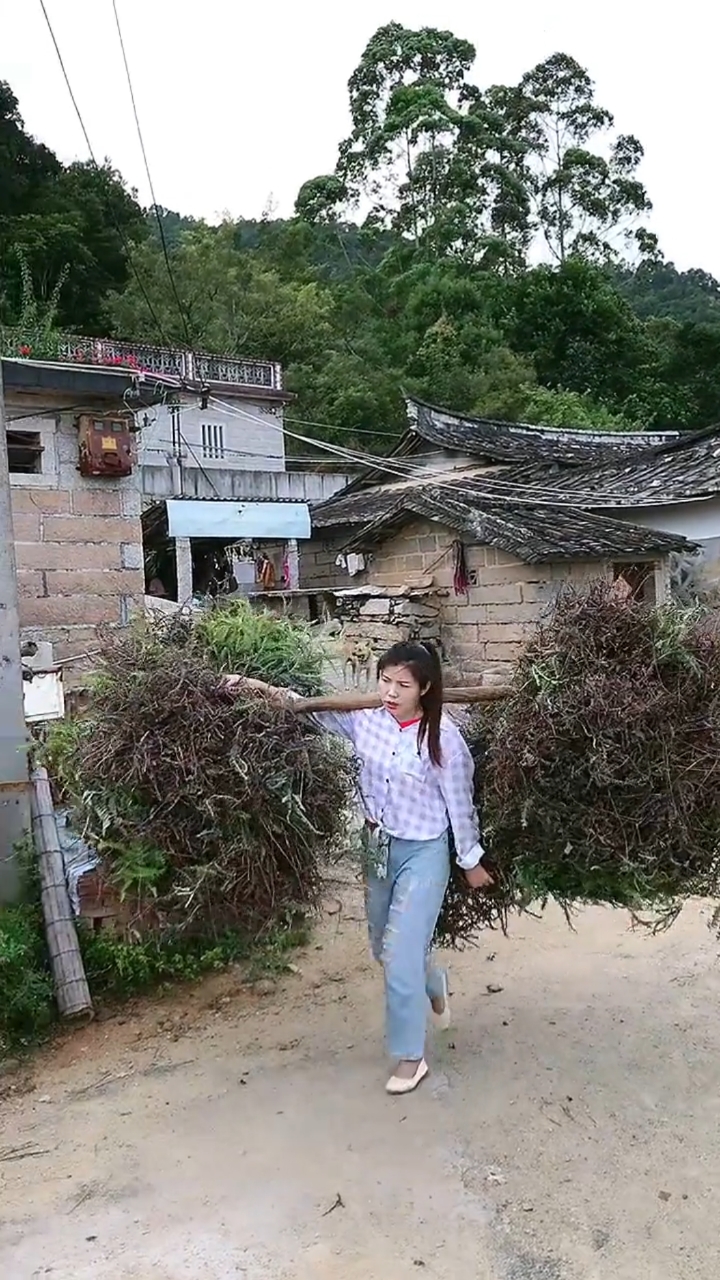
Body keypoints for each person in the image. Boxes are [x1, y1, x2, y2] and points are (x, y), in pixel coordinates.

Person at [224, 641, 492, 1096]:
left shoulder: (443, 736)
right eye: (385, 680)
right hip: (376, 848)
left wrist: (470, 861)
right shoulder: (362, 719)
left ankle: (411, 1057)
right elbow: (303, 708)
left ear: (424, 689)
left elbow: (460, 804)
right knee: (382, 947)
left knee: (399, 956)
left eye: (402, 685)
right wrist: (249, 686)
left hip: (424, 851)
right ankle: (434, 982)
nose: (390, 692)